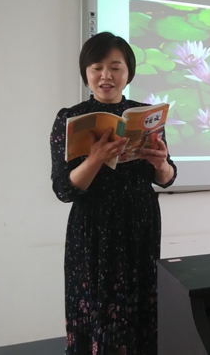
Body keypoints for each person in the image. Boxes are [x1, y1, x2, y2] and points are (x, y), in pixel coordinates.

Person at [50, 32, 176, 354]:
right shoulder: (69, 119)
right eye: (97, 68)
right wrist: (95, 159)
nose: (106, 75)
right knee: (97, 303)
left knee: (141, 299)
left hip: (140, 223)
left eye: (116, 67)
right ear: (86, 72)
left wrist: (161, 164)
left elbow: (167, 177)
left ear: (128, 72)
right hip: (93, 227)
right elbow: (63, 189)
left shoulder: (145, 116)